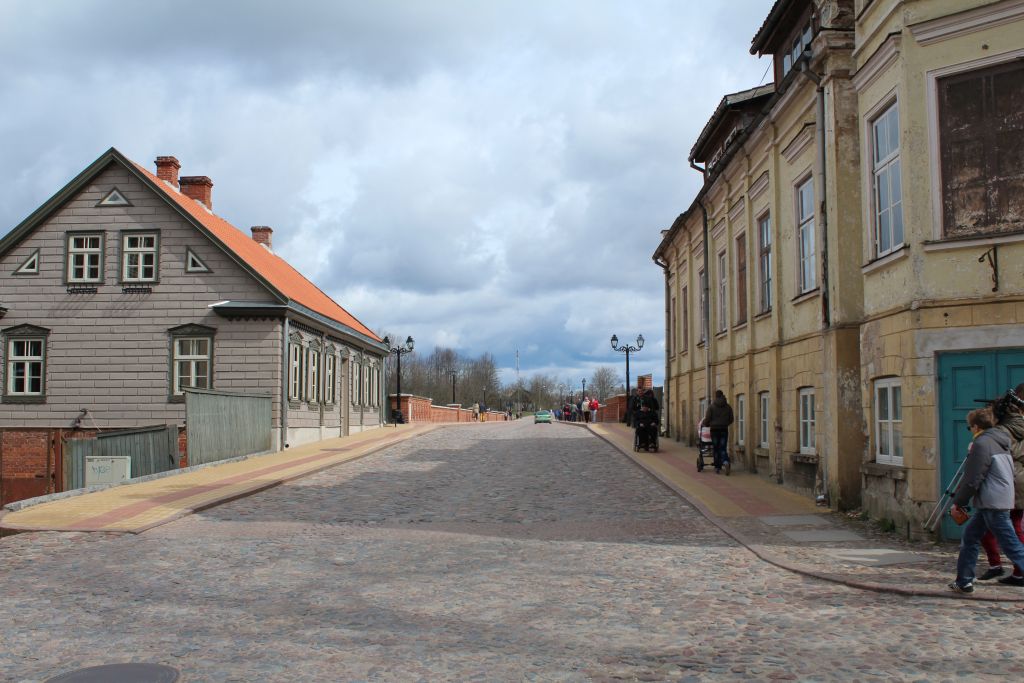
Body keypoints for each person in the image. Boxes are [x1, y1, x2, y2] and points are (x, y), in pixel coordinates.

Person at [948, 406, 1024, 594]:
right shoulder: (1000, 441)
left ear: (975, 427)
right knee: (971, 537)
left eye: (969, 427)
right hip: (996, 500)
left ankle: (964, 580)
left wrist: (959, 502)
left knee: (1011, 545)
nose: (970, 431)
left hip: (993, 502)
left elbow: (973, 478)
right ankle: (964, 581)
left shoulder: (982, 444)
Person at [977, 383, 1024, 585]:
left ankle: (1019, 571)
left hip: (1008, 482)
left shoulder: (1003, 431)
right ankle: (999, 566)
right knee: (994, 526)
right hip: (1017, 480)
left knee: (1011, 527)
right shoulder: (1016, 427)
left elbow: (998, 455)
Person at [702, 390, 734, 475]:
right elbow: (731, 419)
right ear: (722, 395)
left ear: (715, 396)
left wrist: (705, 424)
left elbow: (707, 418)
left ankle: (717, 467)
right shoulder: (728, 407)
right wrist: (725, 424)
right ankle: (726, 462)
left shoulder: (711, 407)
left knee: (716, 448)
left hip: (714, 430)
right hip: (724, 430)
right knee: (722, 448)